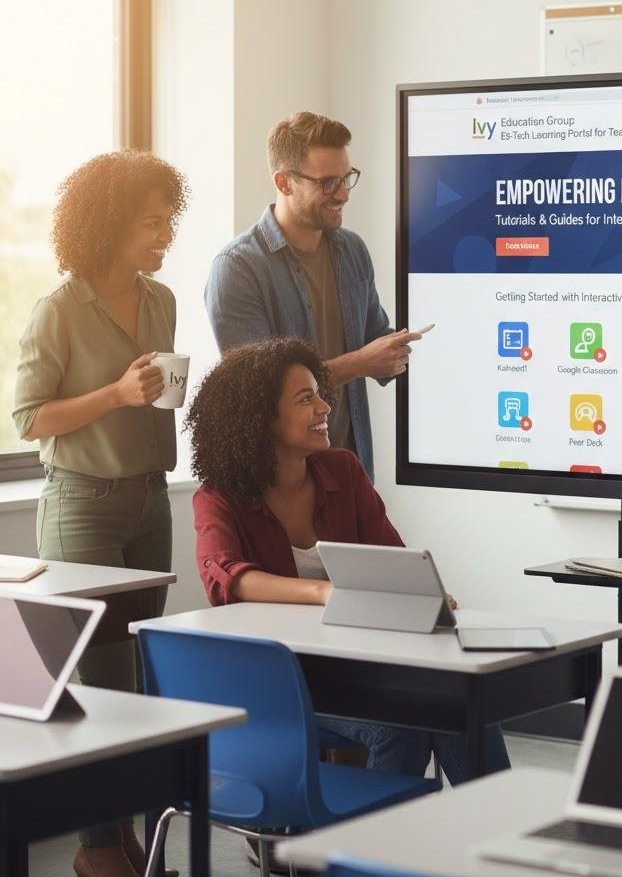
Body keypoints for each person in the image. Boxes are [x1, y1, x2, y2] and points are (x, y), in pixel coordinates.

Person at [187, 336, 510, 784]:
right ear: (259, 419)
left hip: (359, 669)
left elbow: (393, 558)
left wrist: (423, 596)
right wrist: (324, 592)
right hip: (281, 681)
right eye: (306, 398)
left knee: (466, 703)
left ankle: (497, 843)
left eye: (319, 393)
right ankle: (365, 850)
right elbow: (225, 578)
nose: (324, 408)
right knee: (405, 726)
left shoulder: (343, 470)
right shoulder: (217, 497)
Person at [12, 150, 190, 877]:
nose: (164, 236)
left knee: (141, 677)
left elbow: (153, 390)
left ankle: (131, 843)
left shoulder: (161, 299)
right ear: (110, 225)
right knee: (98, 683)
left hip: (150, 499)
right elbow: (29, 418)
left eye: (168, 221)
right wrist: (115, 396)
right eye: (151, 223)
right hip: (82, 506)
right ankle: (96, 850)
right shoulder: (56, 310)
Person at [204, 111, 420, 482]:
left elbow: (376, 342)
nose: (343, 194)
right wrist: (361, 362)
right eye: (328, 182)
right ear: (283, 182)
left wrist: (400, 349)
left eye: (347, 178)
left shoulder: (352, 250)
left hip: (350, 473)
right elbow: (259, 390)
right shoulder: (238, 268)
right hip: (278, 482)